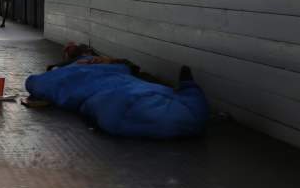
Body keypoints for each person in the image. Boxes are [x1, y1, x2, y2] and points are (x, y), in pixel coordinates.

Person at [25, 43, 209, 139]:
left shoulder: (116, 68)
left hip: (120, 92)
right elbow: (38, 83)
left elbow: (36, 83)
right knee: (189, 114)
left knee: (117, 108)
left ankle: (184, 94)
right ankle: (187, 91)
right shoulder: (70, 71)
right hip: (114, 95)